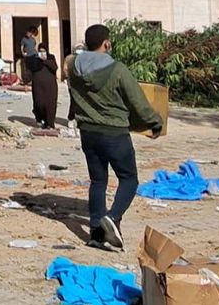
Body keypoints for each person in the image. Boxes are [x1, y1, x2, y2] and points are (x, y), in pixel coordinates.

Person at [68, 22, 161, 251]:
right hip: (114, 133)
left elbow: (73, 98)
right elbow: (137, 102)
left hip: (88, 133)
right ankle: (113, 217)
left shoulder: (73, 67)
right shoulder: (117, 69)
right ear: (106, 43)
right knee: (129, 179)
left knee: (98, 181)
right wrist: (154, 122)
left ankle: (97, 234)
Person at [28, 50, 59, 130]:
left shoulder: (51, 58)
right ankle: (41, 119)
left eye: (44, 51)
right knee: (39, 103)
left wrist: (45, 60)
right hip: (38, 87)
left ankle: (50, 123)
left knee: (50, 105)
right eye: (40, 51)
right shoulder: (35, 59)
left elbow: (54, 68)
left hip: (50, 87)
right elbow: (32, 68)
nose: (42, 53)